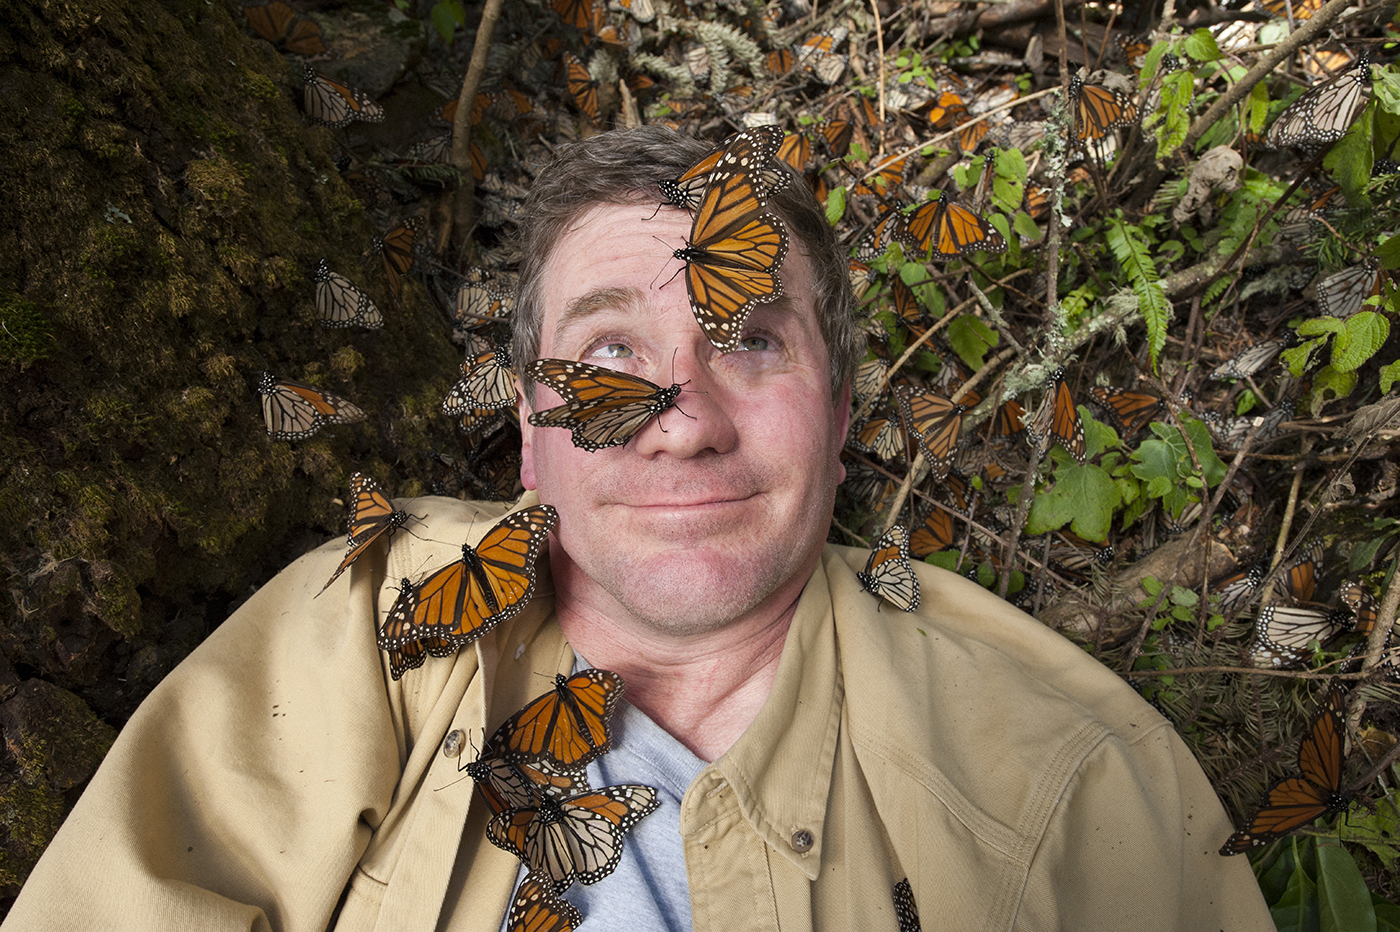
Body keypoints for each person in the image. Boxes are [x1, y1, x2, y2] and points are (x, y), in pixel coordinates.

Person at [4, 126, 1272, 931]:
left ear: (838, 414)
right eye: (612, 351)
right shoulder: (375, 625)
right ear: (527, 431)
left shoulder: (1076, 778)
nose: (681, 420)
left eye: (751, 342)